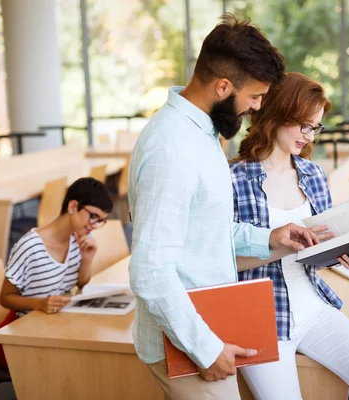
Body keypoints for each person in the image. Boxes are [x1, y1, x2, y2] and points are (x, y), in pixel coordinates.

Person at [128, 15, 320, 400]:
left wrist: (270, 237)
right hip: (186, 341)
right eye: (254, 97)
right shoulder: (173, 149)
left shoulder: (201, 135)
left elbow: (205, 229)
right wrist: (206, 349)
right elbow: (150, 271)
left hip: (205, 321)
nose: (257, 107)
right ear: (223, 86)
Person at [230, 72, 349, 400]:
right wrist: (281, 245)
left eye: (315, 127)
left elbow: (320, 248)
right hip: (259, 318)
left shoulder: (314, 174)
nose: (308, 137)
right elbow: (222, 263)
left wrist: (346, 254)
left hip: (313, 306)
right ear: (278, 114)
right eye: (304, 125)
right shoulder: (233, 180)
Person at [0, 177, 114, 368]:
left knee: (99, 346)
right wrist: (40, 303)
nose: (94, 225)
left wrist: (87, 260)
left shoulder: (81, 238)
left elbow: (81, 284)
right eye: (93, 217)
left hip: (56, 326)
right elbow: (5, 298)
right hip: (20, 336)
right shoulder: (30, 246)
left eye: (100, 221)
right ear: (73, 206)